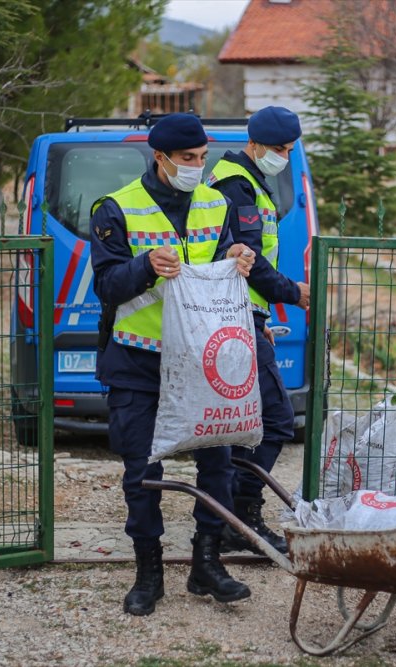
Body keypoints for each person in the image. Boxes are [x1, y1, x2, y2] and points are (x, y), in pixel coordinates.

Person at [89, 112, 257, 617]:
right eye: (188, 160)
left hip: (203, 362)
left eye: (203, 159)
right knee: (143, 472)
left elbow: (224, 257)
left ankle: (207, 564)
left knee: (218, 465)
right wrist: (143, 267)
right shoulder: (117, 208)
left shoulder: (216, 201)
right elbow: (106, 286)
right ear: (159, 157)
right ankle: (148, 572)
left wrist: (240, 255)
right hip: (138, 360)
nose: (198, 168)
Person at [207, 106, 310, 555]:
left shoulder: (249, 180)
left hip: (244, 317)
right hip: (235, 316)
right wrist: (294, 293)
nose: (283, 157)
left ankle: (227, 515)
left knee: (245, 424)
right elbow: (249, 260)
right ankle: (239, 515)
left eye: (289, 150)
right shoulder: (237, 184)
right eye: (278, 149)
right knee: (276, 420)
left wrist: (262, 319)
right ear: (255, 144)